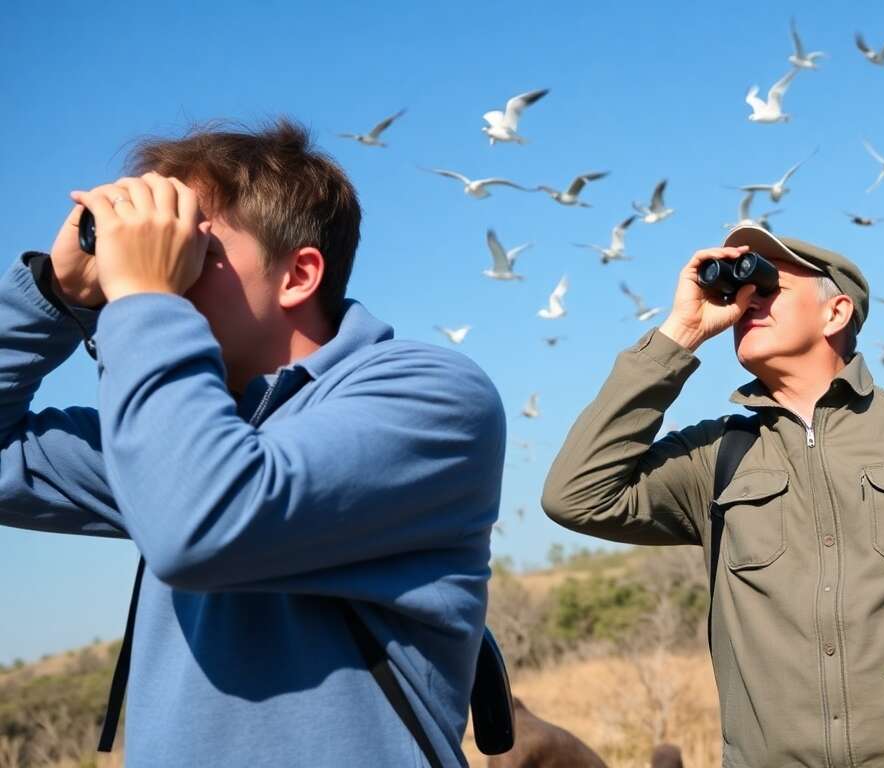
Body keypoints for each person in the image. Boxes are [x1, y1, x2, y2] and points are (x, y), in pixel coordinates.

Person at [0, 119, 505, 767]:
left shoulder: (432, 398)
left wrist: (147, 298)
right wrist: (54, 295)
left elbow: (201, 526)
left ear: (298, 274)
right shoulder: (173, 435)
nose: (161, 266)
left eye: (194, 248)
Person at [541, 225, 884, 766]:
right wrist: (679, 334)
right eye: (737, 291)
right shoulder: (715, 457)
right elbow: (576, 494)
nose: (745, 300)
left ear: (836, 312)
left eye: (766, 286)